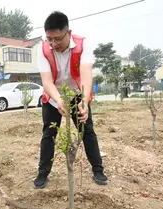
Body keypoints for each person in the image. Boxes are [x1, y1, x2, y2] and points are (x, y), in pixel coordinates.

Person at [34, 11, 108, 189]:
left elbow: (86, 75)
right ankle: (43, 173)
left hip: (77, 94)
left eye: (58, 39)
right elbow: (46, 81)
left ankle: (98, 169)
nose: (53, 43)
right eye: (49, 39)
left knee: (87, 130)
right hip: (54, 97)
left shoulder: (83, 44)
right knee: (48, 134)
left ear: (69, 33)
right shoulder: (43, 49)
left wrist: (84, 101)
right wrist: (59, 99)